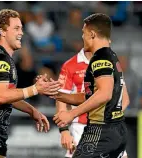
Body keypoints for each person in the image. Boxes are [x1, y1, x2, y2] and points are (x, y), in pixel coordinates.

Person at [0, 9, 61, 158]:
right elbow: (1, 96)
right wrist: (35, 89)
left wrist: (31, 110)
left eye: (21, 28)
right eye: (16, 28)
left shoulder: (6, 59)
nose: (21, 32)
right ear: (2, 32)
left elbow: (9, 95)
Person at [53, 13, 130, 158]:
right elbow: (91, 96)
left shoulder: (100, 59)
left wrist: (72, 113)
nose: (82, 37)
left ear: (92, 34)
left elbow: (104, 93)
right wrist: (56, 94)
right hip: (116, 129)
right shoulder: (112, 57)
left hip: (99, 130)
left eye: (84, 33)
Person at [56, 48, 91, 158]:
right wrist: (64, 130)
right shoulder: (70, 65)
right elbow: (60, 98)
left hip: (107, 127)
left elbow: (123, 98)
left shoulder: (110, 62)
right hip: (81, 127)